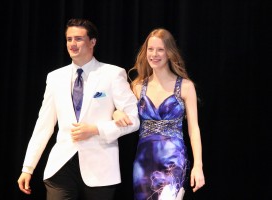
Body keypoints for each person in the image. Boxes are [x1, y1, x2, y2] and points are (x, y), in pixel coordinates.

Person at [17, 18, 140, 200]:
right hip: (61, 165)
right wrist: (28, 168)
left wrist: (96, 129)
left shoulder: (112, 74)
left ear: (92, 42)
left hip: (100, 168)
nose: (72, 44)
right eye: (69, 39)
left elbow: (134, 120)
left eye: (78, 39)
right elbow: (43, 125)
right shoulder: (55, 77)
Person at [113, 28, 205, 199]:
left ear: (169, 53)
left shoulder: (185, 86)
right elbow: (126, 113)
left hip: (173, 162)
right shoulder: (138, 87)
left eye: (160, 49)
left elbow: (194, 129)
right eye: (150, 49)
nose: (154, 54)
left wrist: (198, 165)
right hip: (143, 163)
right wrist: (116, 114)